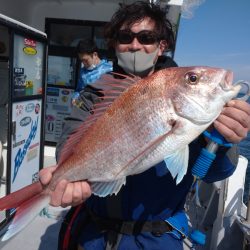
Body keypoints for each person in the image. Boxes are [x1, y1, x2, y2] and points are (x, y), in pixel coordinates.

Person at [40, 2, 250, 250]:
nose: (135, 45)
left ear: (161, 45)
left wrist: (223, 141)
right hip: (93, 233)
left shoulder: (189, 104)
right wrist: (68, 176)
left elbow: (215, 172)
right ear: (115, 44)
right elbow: (68, 142)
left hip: (157, 237)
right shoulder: (94, 95)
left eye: (147, 37)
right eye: (125, 37)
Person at [72, 38, 113, 105]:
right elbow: (79, 90)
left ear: (95, 55)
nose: (83, 63)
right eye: (81, 60)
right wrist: (75, 97)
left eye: (86, 60)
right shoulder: (83, 72)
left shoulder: (109, 70)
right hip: (86, 108)